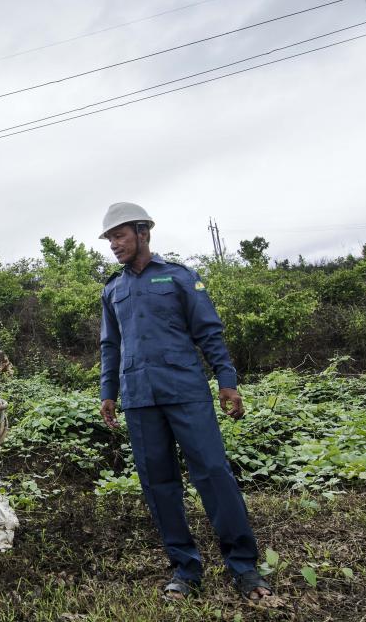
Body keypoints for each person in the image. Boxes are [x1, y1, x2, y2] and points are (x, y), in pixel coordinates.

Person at [97, 202, 273, 602]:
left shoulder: (178, 278)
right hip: (140, 398)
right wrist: (108, 392)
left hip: (186, 392)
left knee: (213, 472)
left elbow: (209, 332)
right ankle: (185, 568)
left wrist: (226, 382)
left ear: (143, 232)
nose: (114, 245)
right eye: (110, 238)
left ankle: (244, 567)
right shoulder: (113, 289)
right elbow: (110, 345)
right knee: (158, 483)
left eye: (120, 235)